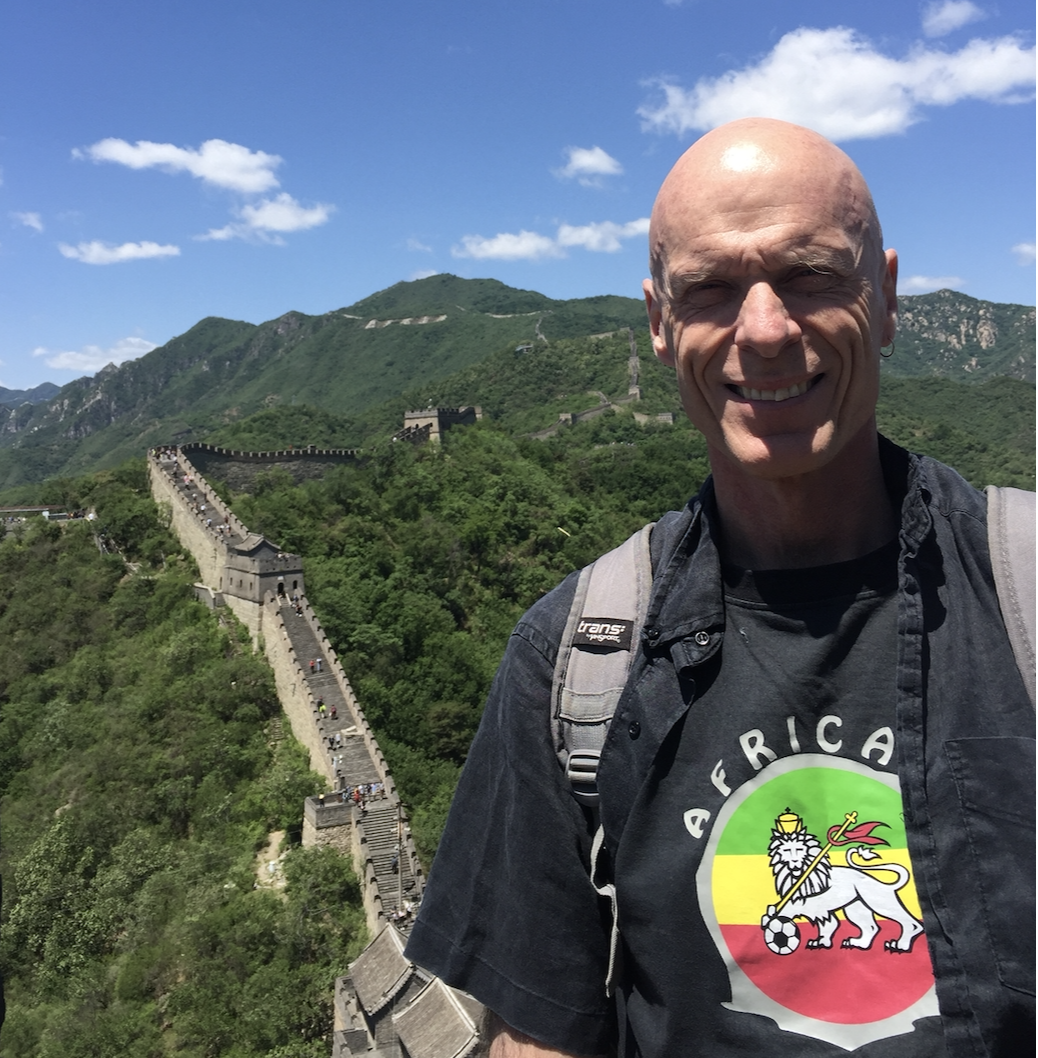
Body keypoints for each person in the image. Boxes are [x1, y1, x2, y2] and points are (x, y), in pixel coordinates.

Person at [404, 118, 1034, 1057]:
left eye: (812, 273)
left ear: (888, 297)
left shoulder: (1024, 593)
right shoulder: (572, 662)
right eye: (712, 289)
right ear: (660, 325)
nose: (767, 329)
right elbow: (539, 1039)